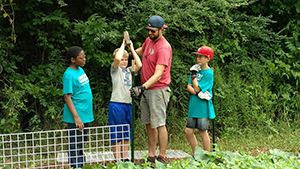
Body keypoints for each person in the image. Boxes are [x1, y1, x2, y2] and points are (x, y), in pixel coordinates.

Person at [130, 15, 172, 164]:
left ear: (161, 29)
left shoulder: (164, 47)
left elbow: (158, 74)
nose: (149, 33)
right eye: (148, 30)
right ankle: (151, 156)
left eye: (153, 31)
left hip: (158, 90)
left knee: (159, 123)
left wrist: (142, 88)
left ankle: (162, 157)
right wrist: (129, 52)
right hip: (146, 90)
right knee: (149, 123)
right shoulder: (149, 40)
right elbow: (141, 51)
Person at [109, 33, 142, 162]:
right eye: (122, 59)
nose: (124, 61)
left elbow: (139, 65)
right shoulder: (115, 70)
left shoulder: (129, 70)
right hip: (117, 104)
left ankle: (125, 158)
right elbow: (116, 59)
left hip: (128, 104)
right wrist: (123, 43)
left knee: (126, 132)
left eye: (125, 59)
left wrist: (131, 48)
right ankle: (117, 160)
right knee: (116, 133)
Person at [62, 46, 94, 169]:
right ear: (73, 59)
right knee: (75, 144)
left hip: (84, 115)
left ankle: (81, 165)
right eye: (81, 58)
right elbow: (67, 97)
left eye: (84, 57)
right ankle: (76, 166)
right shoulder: (68, 75)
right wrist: (76, 117)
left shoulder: (80, 70)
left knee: (81, 142)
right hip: (77, 117)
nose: (84, 59)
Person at [184, 46, 215, 155]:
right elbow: (189, 86)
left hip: (202, 106)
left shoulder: (209, 73)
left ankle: (207, 155)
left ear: (208, 58)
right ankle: (197, 154)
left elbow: (197, 87)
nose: (198, 59)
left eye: (201, 57)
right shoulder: (195, 70)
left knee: (202, 131)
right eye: (197, 56)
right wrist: (197, 92)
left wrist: (194, 77)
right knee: (188, 131)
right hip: (194, 104)